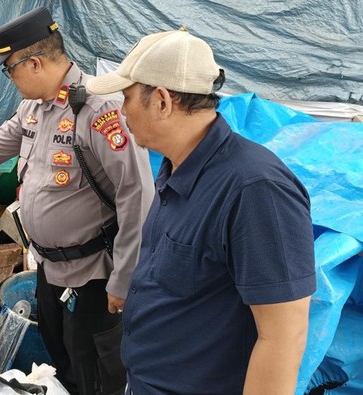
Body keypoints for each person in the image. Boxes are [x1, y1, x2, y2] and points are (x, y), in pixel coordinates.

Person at [0, 7, 154, 395]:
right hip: (48, 268)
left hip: (94, 275)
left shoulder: (97, 109)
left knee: (97, 374)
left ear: (35, 62)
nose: (10, 80)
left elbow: (137, 194)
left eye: (10, 70)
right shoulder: (34, 108)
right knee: (63, 361)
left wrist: (124, 279)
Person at [86, 28, 316, 394]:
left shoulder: (255, 190)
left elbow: (283, 339)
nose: (122, 110)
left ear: (161, 101)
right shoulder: (175, 168)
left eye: (127, 97)